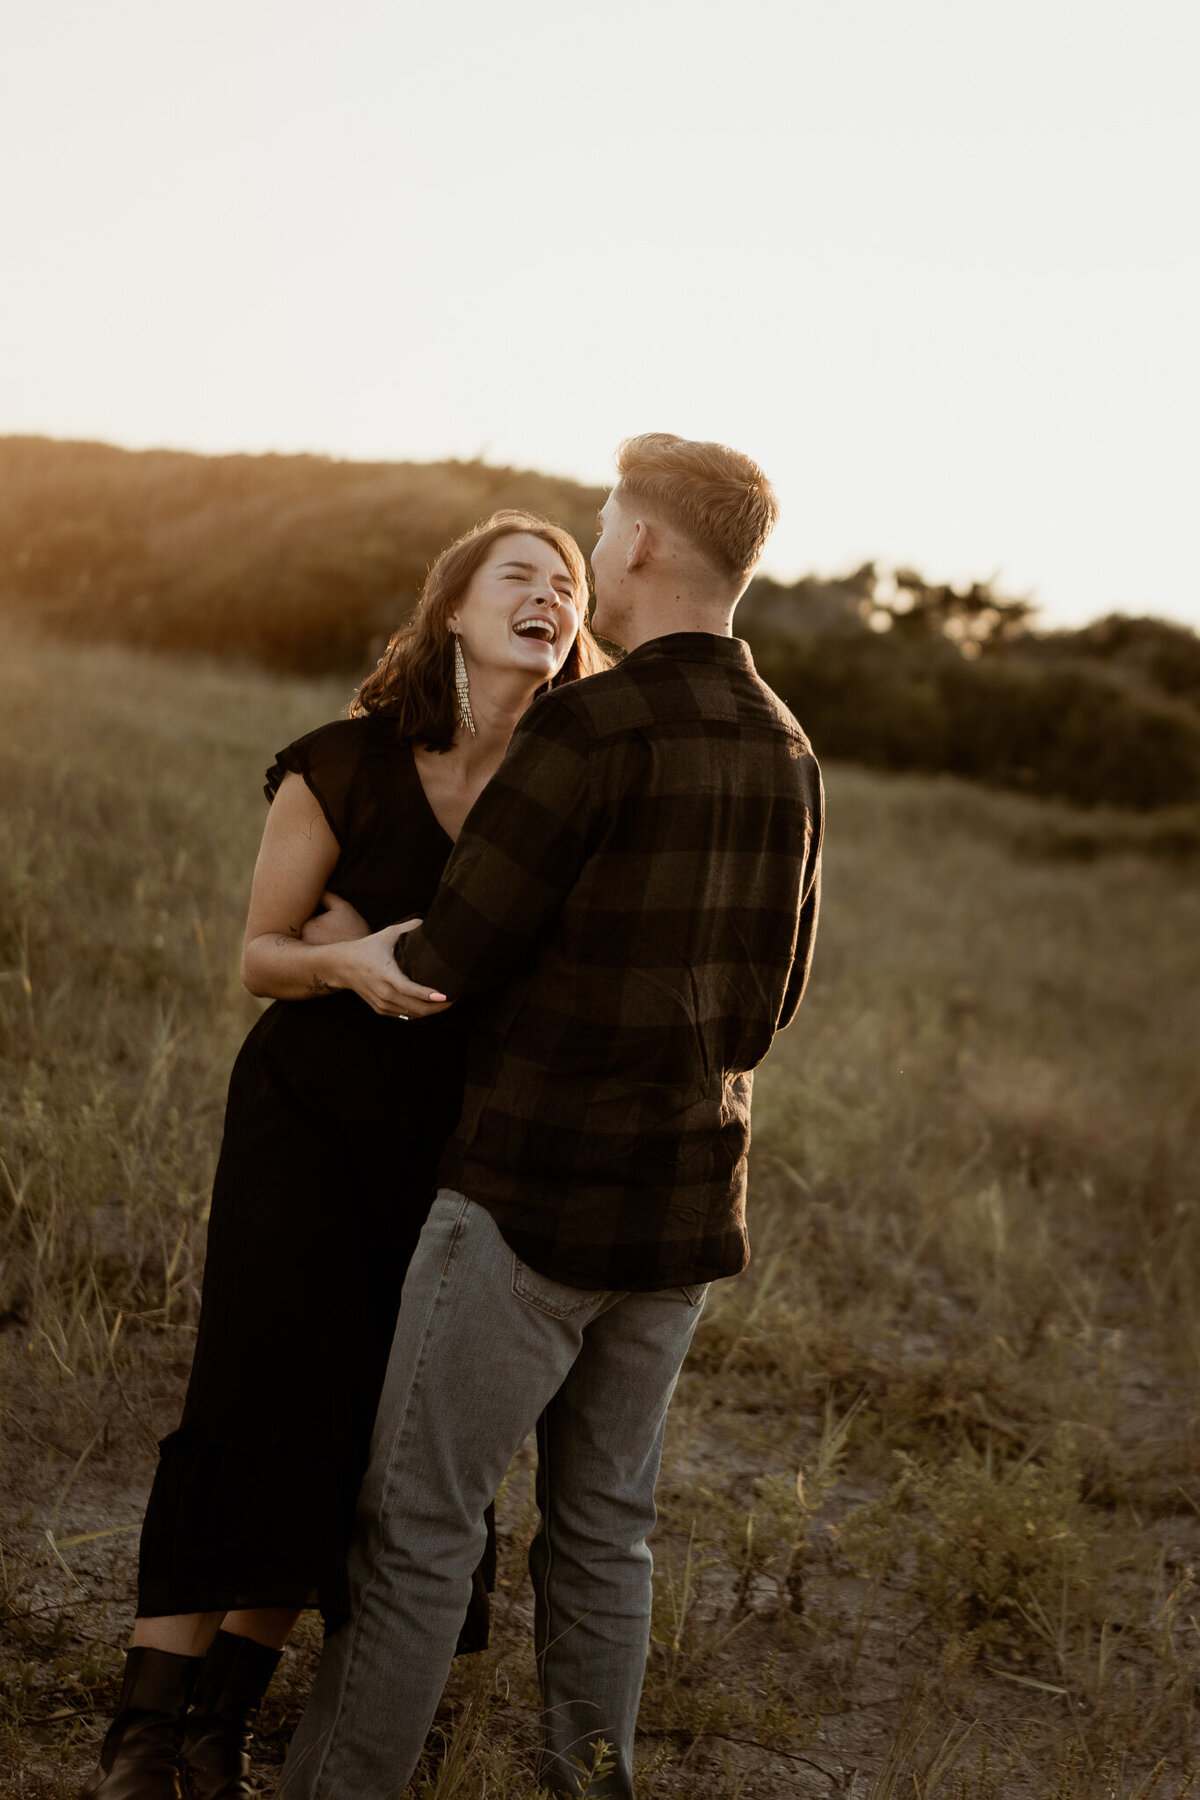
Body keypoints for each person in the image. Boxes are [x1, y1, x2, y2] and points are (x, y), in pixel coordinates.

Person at [277, 433, 824, 1799]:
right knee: (604, 1536)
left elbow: (454, 955)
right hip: (684, 1213)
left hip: (526, 1204)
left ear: (638, 543)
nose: (597, 540)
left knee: (415, 1529)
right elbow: (771, 1008)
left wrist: (349, 931)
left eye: (603, 521)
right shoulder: (789, 744)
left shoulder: (593, 724)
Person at [80, 511, 606, 1800]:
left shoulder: (560, 794)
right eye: (519, 577)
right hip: (307, 1124)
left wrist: (405, 946)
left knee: (355, 1431)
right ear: (454, 610)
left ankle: (219, 1726)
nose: (547, 596)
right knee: (250, 1397)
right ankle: (142, 1737)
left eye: (569, 584)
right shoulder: (349, 761)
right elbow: (260, 956)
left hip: (452, 1149)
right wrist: (349, 963)